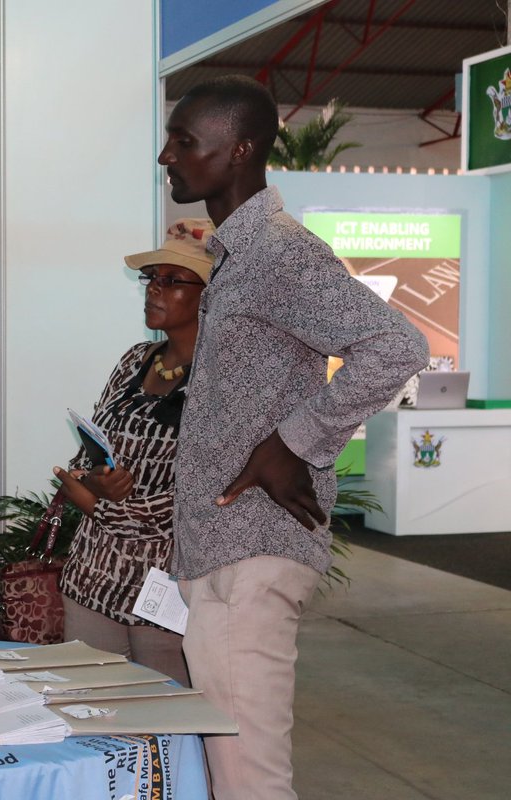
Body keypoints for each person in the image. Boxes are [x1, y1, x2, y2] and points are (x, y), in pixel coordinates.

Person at [159, 77, 428, 799]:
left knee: (250, 781)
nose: (167, 156)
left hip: (252, 554)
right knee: (230, 775)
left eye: (185, 141)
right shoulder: (237, 257)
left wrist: (296, 441)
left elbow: (397, 347)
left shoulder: (280, 252)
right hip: (221, 554)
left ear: (239, 150)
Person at [52, 219, 215, 687]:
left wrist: (94, 503)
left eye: (172, 280)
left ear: (212, 295)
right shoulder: (134, 360)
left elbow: (194, 501)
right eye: (152, 278)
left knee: (164, 722)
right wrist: (94, 480)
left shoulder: (222, 380)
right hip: (92, 579)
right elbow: (87, 456)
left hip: (165, 595)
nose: (154, 289)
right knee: (92, 711)